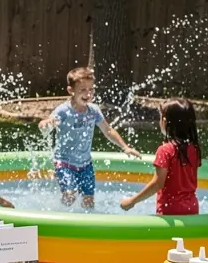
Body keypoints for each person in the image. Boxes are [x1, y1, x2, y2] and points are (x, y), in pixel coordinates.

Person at [38, 66, 141, 209]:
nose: (88, 94)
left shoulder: (93, 111)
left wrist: (125, 147)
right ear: (71, 91)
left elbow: (108, 130)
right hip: (64, 163)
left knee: (89, 201)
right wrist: (46, 124)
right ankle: (58, 215)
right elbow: (45, 125)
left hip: (86, 165)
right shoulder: (63, 111)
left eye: (91, 89)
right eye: (83, 90)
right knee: (70, 196)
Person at [120, 99, 201, 214]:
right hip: (192, 207)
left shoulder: (165, 150)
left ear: (165, 121)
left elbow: (157, 183)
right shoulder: (194, 148)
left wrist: (132, 200)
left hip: (170, 209)